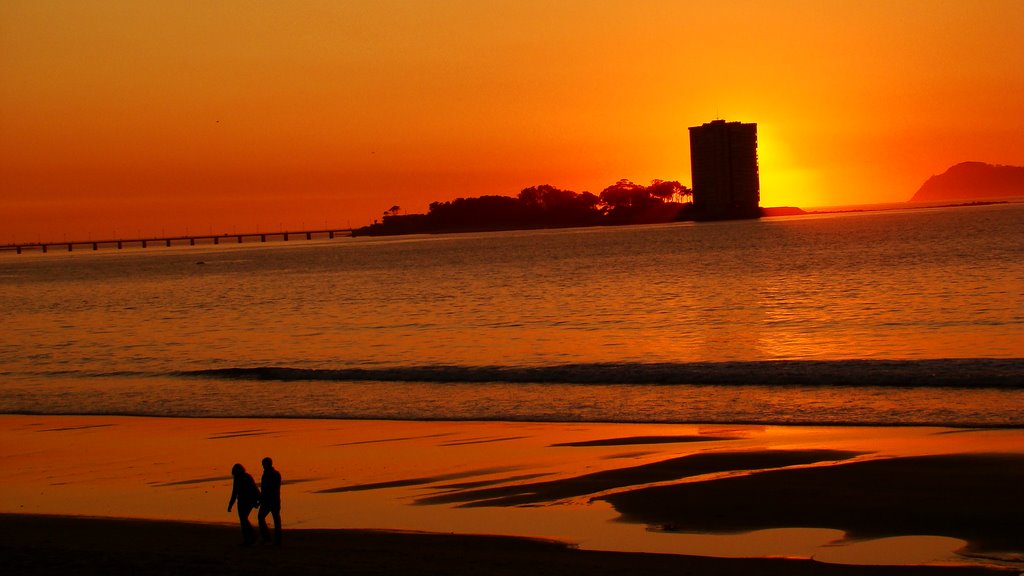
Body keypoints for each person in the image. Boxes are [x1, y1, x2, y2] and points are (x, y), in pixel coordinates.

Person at [227, 463, 260, 546]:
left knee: (243, 520)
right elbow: (254, 488)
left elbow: (235, 492)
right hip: (246, 501)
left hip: (245, 501)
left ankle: (250, 537)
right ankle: (249, 537)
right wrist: (258, 500)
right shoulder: (246, 477)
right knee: (243, 520)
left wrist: (230, 504)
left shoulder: (240, 478)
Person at [258, 456, 283, 545]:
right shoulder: (275, 474)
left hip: (270, 500)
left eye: (263, 464)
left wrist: (262, 498)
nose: (263, 466)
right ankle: (275, 539)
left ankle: (268, 538)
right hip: (274, 499)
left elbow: (267, 489)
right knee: (276, 519)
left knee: (262, 517)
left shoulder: (271, 474)